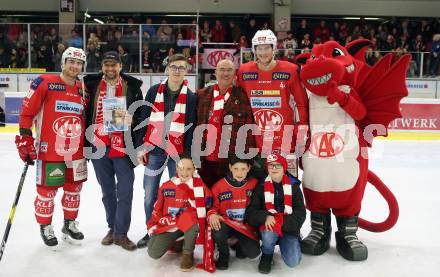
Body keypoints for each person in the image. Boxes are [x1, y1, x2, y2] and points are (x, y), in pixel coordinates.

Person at [15, 47, 88, 247]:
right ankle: (45, 227)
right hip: (50, 151)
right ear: (63, 63)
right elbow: (27, 112)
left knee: (74, 190)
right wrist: (26, 137)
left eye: (79, 63)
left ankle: (69, 224)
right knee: (47, 192)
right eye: (71, 61)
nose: (74, 66)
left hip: (77, 152)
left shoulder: (83, 88)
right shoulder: (45, 82)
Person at [83, 51, 143, 251]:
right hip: (98, 144)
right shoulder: (90, 85)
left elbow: (141, 115)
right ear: (102, 66)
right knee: (107, 191)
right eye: (106, 65)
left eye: (114, 65)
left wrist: (131, 119)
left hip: (123, 145)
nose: (110, 69)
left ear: (120, 66)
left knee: (125, 191)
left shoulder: (132, 86)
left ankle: (121, 233)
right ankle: (112, 228)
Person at [136, 53, 197, 248]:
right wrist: (140, 147)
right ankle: (150, 229)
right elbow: (144, 120)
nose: (177, 71)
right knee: (149, 194)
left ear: (186, 71)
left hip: (177, 154)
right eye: (174, 67)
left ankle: (175, 232)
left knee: (178, 194)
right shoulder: (154, 91)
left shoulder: (191, 96)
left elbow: (191, 127)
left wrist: (188, 157)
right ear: (167, 68)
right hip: (154, 151)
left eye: (182, 67)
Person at [237, 29, 309, 179]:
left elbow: (301, 103)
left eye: (267, 48)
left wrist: (302, 129)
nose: (263, 52)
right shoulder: (244, 71)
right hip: (256, 141)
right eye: (259, 49)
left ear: (274, 48)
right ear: (254, 50)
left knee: (289, 185)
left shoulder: (290, 70)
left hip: (285, 139)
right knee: (260, 188)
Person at [146, 154, 212, 272]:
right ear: (176, 168)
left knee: (190, 217)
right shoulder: (166, 186)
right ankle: (178, 242)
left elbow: (209, 203)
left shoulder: (199, 186)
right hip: (170, 224)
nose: (184, 172)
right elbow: (157, 209)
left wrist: (200, 201)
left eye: (188, 169)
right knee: (153, 252)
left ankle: (187, 253)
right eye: (181, 168)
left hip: (189, 224)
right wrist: (153, 225)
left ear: (194, 169)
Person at [196, 59, 255, 188]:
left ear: (235, 74)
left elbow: (249, 130)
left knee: (226, 201)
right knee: (206, 199)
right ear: (215, 73)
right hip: (204, 161)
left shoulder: (243, 97)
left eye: (229, 70)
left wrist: (248, 159)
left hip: (231, 161)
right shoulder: (201, 95)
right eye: (222, 70)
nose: (226, 73)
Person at [245, 154, 306, 274]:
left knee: (293, 261)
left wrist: (281, 221)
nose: (274, 168)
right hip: (269, 226)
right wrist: (265, 217)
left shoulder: (294, 186)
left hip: (288, 228)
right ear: (267, 168)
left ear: (284, 168)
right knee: (268, 234)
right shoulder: (260, 186)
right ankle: (267, 253)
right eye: (271, 166)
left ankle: (291, 242)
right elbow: (251, 212)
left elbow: (300, 213)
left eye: (278, 165)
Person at [207, 156, 260, 270]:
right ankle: (223, 254)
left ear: (249, 168)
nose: (239, 173)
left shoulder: (255, 184)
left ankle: (239, 244)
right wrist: (212, 214)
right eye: (236, 168)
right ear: (230, 167)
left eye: (243, 169)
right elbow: (212, 207)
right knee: (218, 229)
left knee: (253, 253)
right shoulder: (219, 186)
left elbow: (260, 207)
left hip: (245, 227)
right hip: (226, 225)